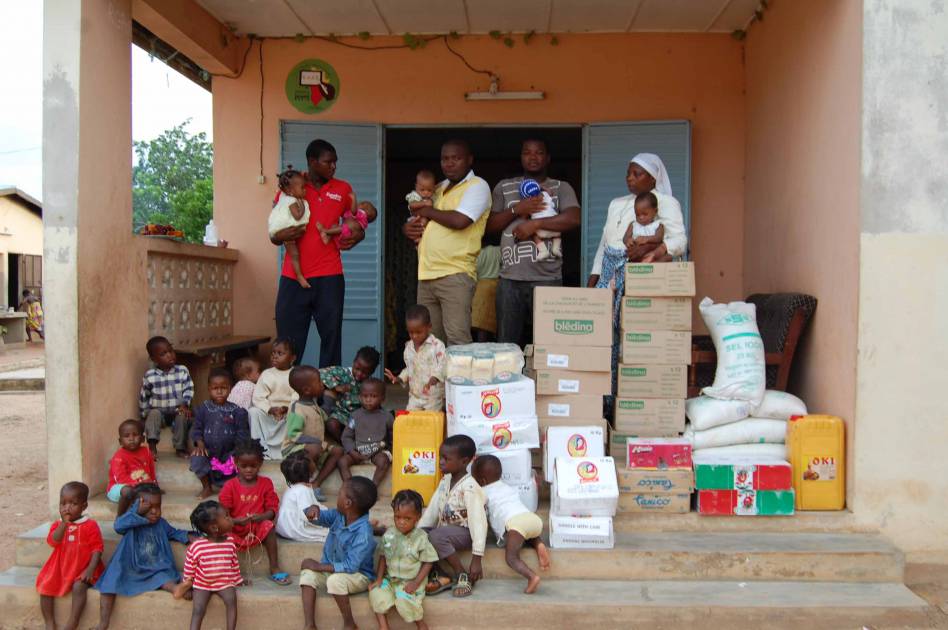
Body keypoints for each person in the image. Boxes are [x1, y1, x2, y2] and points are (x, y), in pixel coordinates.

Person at [271, 139, 367, 368]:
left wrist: (358, 236)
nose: (334, 166)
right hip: (293, 277)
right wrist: (278, 236)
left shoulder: (343, 188)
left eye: (335, 162)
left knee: (331, 340)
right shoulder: (292, 186)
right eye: (328, 162)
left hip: (330, 277)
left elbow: (356, 224)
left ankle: (329, 388)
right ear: (312, 162)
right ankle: (287, 388)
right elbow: (274, 229)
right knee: (288, 343)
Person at [486, 138, 582, 347]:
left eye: (539, 152)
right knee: (506, 345)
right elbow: (489, 226)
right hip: (510, 278)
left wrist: (535, 224)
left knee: (550, 344)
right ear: (521, 157)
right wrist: (517, 210)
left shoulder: (561, 187)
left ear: (547, 158)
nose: (533, 157)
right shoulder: (504, 186)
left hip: (548, 278)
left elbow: (574, 219)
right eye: (527, 152)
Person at [402, 139, 491, 346]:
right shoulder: (438, 187)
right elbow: (416, 213)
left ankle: (459, 371)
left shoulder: (477, 186)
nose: (449, 163)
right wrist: (406, 228)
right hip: (426, 275)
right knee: (430, 343)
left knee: (457, 341)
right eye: (445, 159)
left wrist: (427, 210)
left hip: (455, 274)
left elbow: (460, 221)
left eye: (456, 158)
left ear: (469, 160)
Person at [94, 483, 197, 630]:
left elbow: (173, 532)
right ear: (136, 505)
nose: (154, 511)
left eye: (158, 506)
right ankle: (103, 623)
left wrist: (188, 536)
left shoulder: (161, 523)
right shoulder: (131, 522)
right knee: (109, 583)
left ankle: (176, 588)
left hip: (155, 566)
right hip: (131, 566)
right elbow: (118, 526)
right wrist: (136, 512)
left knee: (163, 577)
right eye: (149, 507)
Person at [587, 152, 687, 287]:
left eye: (636, 174)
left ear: (653, 178)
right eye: (628, 174)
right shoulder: (616, 204)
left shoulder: (665, 202)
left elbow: (680, 241)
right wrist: (592, 283)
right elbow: (604, 246)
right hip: (609, 278)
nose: (630, 178)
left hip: (641, 276)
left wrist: (652, 249)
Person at [300, 477, 378, 630]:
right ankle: (310, 625)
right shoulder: (338, 515)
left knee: (335, 581)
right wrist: (312, 510)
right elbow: (318, 518)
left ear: (347, 503)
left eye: (339, 493)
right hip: (333, 570)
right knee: (307, 574)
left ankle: (350, 624)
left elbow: (351, 566)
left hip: (359, 575)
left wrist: (319, 566)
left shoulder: (364, 533)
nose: (337, 496)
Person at [419, 435, 487, 598]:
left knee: (436, 536)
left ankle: (461, 574)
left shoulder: (470, 487)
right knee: (419, 535)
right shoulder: (446, 480)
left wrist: (477, 558)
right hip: (445, 531)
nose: (441, 462)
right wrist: (418, 531)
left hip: (465, 533)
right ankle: (442, 575)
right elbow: (432, 510)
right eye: (440, 457)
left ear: (464, 461)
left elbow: (478, 523)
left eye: (446, 458)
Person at [472, 455, 551, 594]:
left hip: (515, 523)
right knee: (526, 533)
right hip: (532, 519)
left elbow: (479, 514)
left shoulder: (482, 492)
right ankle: (538, 543)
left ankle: (532, 577)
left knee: (511, 557)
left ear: (482, 481)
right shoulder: (506, 487)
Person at [218, 439, 290, 586]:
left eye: (253, 466)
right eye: (244, 466)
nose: (249, 470)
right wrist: (237, 521)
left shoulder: (266, 483)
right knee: (222, 532)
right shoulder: (229, 486)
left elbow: (272, 510)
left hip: (257, 529)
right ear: (236, 463)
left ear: (260, 463)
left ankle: (274, 567)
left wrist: (261, 517)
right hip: (235, 529)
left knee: (269, 526)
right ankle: (228, 572)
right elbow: (223, 516)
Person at [36, 482, 104, 630]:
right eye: (63, 503)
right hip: (61, 567)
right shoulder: (58, 525)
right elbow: (53, 541)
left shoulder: (90, 525)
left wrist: (90, 569)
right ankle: (49, 622)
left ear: (84, 506)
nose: (67, 508)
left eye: (73, 503)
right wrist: (64, 524)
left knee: (79, 587)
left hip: (84, 568)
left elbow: (97, 549)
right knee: (45, 585)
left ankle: (73, 622)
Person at [369, 489, 438, 630]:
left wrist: (416, 582)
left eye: (407, 519)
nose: (401, 522)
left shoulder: (420, 537)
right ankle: (383, 626)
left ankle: (421, 625)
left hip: (411, 581)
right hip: (391, 579)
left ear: (418, 517)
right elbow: (383, 556)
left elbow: (429, 561)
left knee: (404, 601)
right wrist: (379, 578)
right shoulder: (389, 534)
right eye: (397, 517)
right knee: (376, 593)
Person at [173, 501, 241, 630]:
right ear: (214, 528)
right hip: (202, 583)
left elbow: (234, 563)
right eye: (226, 516)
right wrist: (187, 584)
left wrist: (237, 580)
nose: (230, 518)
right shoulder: (197, 546)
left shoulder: (230, 542)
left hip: (224, 582)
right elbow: (189, 567)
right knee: (198, 610)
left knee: (232, 601)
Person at [282, 365, 344, 502]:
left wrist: (331, 397)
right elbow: (293, 435)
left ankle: (316, 483)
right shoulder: (297, 409)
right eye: (319, 382)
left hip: (315, 446)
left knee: (338, 451)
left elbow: (324, 416)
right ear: (307, 390)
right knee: (315, 448)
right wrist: (316, 442)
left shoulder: (313, 404)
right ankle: (305, 485)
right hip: (293, 449)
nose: (322, 384)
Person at [190, 368, 251, 499]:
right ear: (209, 389)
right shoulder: (203, 409)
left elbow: (242, 433)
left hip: (229, 452)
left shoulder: (237, 411)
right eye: (215, 388)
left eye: (223, 388)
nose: (219, 391)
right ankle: (207, 487)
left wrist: (237, 451)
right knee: (197, 459)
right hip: (208, 451)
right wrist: (199, 444)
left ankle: (231, 488)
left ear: (230, 389)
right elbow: (196, 429)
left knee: (241, 460)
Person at [139, 336, 194, 459]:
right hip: (160, 414)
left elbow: (189, 389)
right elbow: (144, 396)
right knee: (153, 413)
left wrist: (185, 404)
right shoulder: (150, 375)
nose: (170, 355)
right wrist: (143, 415)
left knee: (182, 416)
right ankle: (152, 446)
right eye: (163, 354)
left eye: (170, 351)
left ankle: (180, 448)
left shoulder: (182, 371)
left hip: (178, 409)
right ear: (154, 359)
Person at [384, 304, 446, 411]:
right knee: (411, 417)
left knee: (430, 419)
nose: (414, 336)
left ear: (429, 327)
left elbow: (443, 364)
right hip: (415, 396)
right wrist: (398, 378)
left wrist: (435, 377)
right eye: (411, 332)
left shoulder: (437, 346)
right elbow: (409, 368)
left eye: (418, 332)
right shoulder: (408, 347)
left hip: (433, 397)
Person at [249, 338, 299, 460]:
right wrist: (270, 409)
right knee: (253, 412)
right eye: (273, 353)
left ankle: (289, 449)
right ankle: (260, 449)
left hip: (287, 414)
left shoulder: (296, 374)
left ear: (292, 358)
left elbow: (297, 396)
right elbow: (258, 397)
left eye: (280, 353)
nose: (275, 356)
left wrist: (287, 409)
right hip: (270, 413)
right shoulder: (266, 374)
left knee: (299, 414)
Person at [339, 377, 394, 487]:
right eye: (365, 396)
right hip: (358, 451)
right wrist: (352, 451)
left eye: (373, 396)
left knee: (384, 461)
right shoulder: (355, 416)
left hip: (377, 452)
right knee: (342, 462)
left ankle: (373, 487)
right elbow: (346, 437)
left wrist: (391, 450)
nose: (368, 399)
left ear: (382, 398)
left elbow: (393, 436)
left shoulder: (387, 416)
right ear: (360, 397)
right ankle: (350, 487)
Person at [320, 346, 380, 443]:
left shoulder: (370, 384)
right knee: (332, 425)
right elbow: (321, 373)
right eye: (357, 368)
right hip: (340, 413)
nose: (359, 374)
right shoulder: (343, 372)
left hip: (359, 415)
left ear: (371, 372)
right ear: (353, 362)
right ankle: (345, 444)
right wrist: (336, 387)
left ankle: (359, 443)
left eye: (364, 373)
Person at [269, 167, 311, 288]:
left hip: (283, 229)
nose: (305, 190)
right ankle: (299, 276)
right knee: (295, 255)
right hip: (286, 230)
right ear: (290, 191)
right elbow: (297, 216)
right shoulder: (291, 201)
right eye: (302, 188)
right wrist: (302, 207)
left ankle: (299, 275)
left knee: (294, 255)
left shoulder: (284, 197)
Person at [275, 452, 329, 543]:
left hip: (284, 527)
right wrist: (324, 519)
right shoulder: (303, 490)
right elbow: (308, 515)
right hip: (293, 528)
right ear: (310, 473)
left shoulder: (293, 487)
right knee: (330, 531)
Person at [107, 419, 156, 516]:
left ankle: (136, 514)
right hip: (119, 488)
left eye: (135, 435)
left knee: (151, 496)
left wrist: (154, 486)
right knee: (128, 491)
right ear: (120, 441)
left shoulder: (146, 452)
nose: (131, 439)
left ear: (143, 438)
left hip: (140, 488)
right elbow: (121, 479)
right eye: (126, 436)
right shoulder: (118, 457)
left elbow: (151, 472)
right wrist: (140, 487)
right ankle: (120, 517)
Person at [622, 191, 672, 263]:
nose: (641, 217)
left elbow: (659, 238)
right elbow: (625, 237)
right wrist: (628, 240)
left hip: (653, 255)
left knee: (668, 257)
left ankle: (654, 266)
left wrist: (647, 239)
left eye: (645, 214)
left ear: (655, 211)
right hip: (636, 256)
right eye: (637, 214)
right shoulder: (633, 225)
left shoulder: (658, 225)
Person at [471, 245, 500, 342]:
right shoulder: (500, 250)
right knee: (488, 325)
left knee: (480, 324)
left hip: (480, 287)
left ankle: (479, 346)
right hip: (496, 285)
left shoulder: (477, 253)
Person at [404, 169, 438, 245]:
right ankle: (418, 237)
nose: (426, 193)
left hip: (429, 219)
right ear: (416, 187)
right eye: (422, 190)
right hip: (416, 218)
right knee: (423, 221)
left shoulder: (434, 196)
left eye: (429, 190)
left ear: (434, 188)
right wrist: (424, 203)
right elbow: (412, 205)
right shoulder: (415, 195)